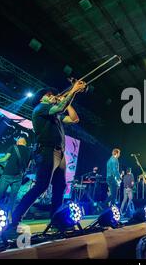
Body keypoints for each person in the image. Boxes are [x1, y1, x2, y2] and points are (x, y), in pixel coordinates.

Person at [7, 81, 86, 235]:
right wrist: (73, 91)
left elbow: (74, 119)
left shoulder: (54, 115)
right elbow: (59, 107)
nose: (52, 96)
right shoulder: (40, 108)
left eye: (52, 94)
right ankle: (14, 220)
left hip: (59, 153)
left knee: (60, 187)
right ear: (41, 98)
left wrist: (68, 102)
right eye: (48, 94)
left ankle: (56, 221)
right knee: (41, 186)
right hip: (47, 151)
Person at [0, 138, 31, 218]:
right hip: (18, 177)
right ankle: (10, 217)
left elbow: (5, 159)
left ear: (18, 142)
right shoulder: (29, 151)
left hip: (7, 175)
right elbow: (28, 166)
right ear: (25, 143)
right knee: (12, 198)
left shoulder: (13, 147)